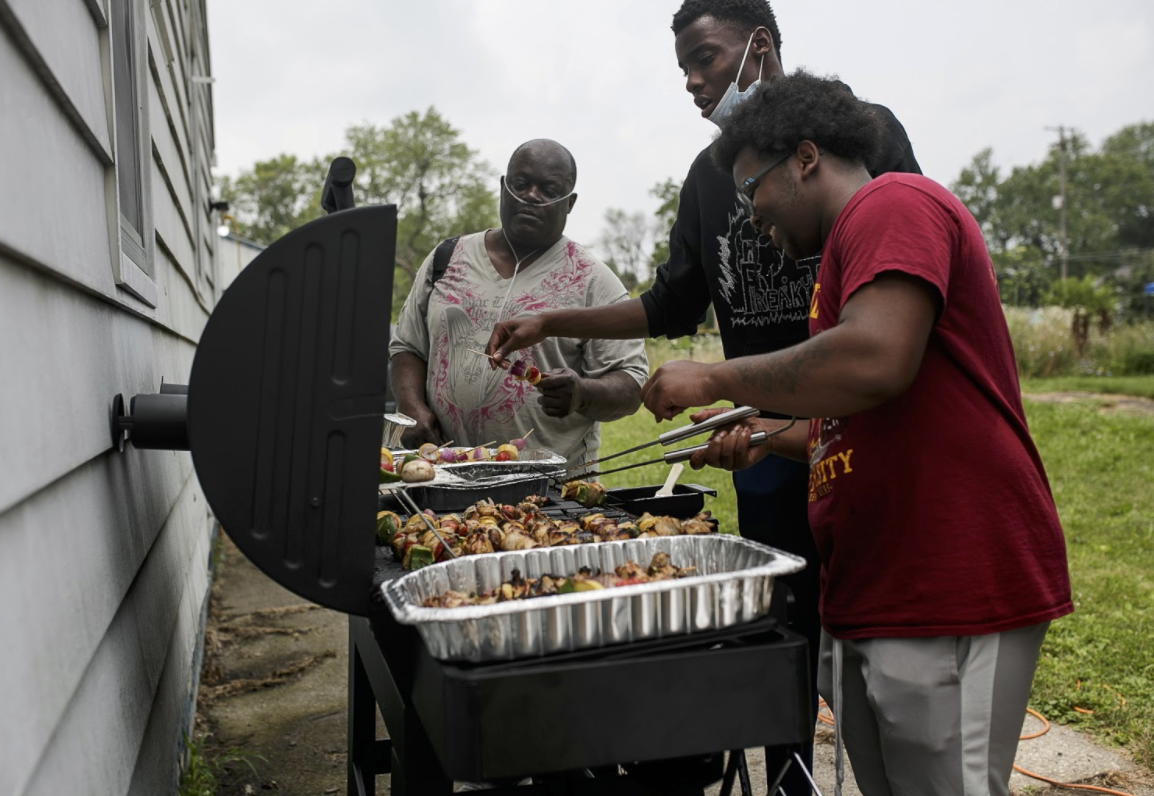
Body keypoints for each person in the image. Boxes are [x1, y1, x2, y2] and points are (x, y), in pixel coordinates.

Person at [486, 2, 919, 791]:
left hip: (856, 439)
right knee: (784, 644)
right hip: (769, 452)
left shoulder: (867, 135)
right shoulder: (709, 174)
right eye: (682, 67)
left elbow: (897, 295)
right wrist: (551, 316)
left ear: (759, 47)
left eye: (705, 59)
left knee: (882, 651)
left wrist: (718, 381)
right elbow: (670, 303)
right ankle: (793, 778)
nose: (691, 82)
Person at [641, 71, 1073, 795]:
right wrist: (765, 434)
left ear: (806, 157)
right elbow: (845, 422)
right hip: (872, 583)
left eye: (753, 192)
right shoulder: (840, 256)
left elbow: (875, 359)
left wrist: (719, 377)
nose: (749, 216)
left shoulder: (892, 202)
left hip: (948, 572)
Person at [389, 139, 648, 468]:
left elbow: (631, 384)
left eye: (549, 188)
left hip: (549, 499)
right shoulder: (447, 258)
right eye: (521, 184)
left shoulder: (594, 282)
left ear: (569, 203)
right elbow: (407, 346)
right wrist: (412, 407)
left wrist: (583, 393)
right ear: (503, 187)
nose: (531, 196)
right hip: (444, 480)